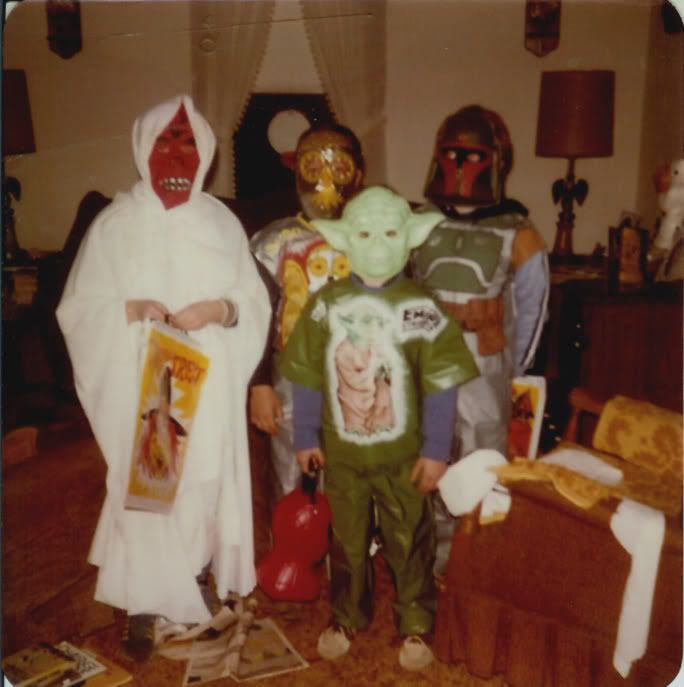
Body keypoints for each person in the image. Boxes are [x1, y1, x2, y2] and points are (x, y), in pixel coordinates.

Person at [56, 95, 271, 661]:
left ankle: (194, 575)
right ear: (143, 147)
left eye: (189, 142)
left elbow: (252, 301)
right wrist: (130, 309)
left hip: (208, 373)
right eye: (165, 141)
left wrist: (218, 310)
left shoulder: (221, 222)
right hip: (144, 377)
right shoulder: (116, 224)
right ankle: (144, 600)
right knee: (147, 490)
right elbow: (78, 308)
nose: (177, 154)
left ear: (206, 153)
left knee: (202, 482)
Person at [279, 186, 479, 671]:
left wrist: (436, 449)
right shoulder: (326, 305)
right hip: (343, 456)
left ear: (410, 238)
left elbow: (442, 382)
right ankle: (347, 613)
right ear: (344, 239)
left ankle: (416, 620)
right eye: (364, 234)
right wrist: (304, 436)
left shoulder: (422, 308)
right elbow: (306, 375)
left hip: (404, 457)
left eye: (390, 233)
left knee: (409, 537)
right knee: (346, 540)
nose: (376, 245)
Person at [411, 104, 549, 575]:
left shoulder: (518, 232)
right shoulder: (420, 223)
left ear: (495, 159)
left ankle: (471, 566)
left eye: (472, 156)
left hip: (484, 369)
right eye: (452, 154)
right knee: (425, 455)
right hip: (427, 361)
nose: (460, 165)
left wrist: (518, 371)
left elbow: (533, 307)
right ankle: (426, 561)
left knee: (480, 463)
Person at [248, 124, 364, 503]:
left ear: (358, 173)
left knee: (352, 477)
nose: (326, 180)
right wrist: (260, 384)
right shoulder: (274, 242)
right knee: (290, 474)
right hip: (291, 375)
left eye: (339, 166)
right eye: (314, 166)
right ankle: (288, 539)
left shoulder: (375, 239)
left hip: (358, 376)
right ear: (297, 169)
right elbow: (256, 318)